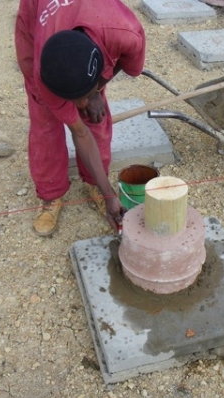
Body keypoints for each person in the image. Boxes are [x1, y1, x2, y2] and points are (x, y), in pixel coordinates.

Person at [15, 0, 146, 236]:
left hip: (94, 25)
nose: (78, 105)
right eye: (72, 98)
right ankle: (51, 194)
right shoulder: (45, 73)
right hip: (40, 17)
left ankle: (95, 181)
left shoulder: (125, 34)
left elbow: (130, 64)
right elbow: (79, 132)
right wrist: (86, 94)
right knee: (45, 121)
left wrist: (96, 92)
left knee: (95, 115)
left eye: (82, 95)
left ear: (100, 66)